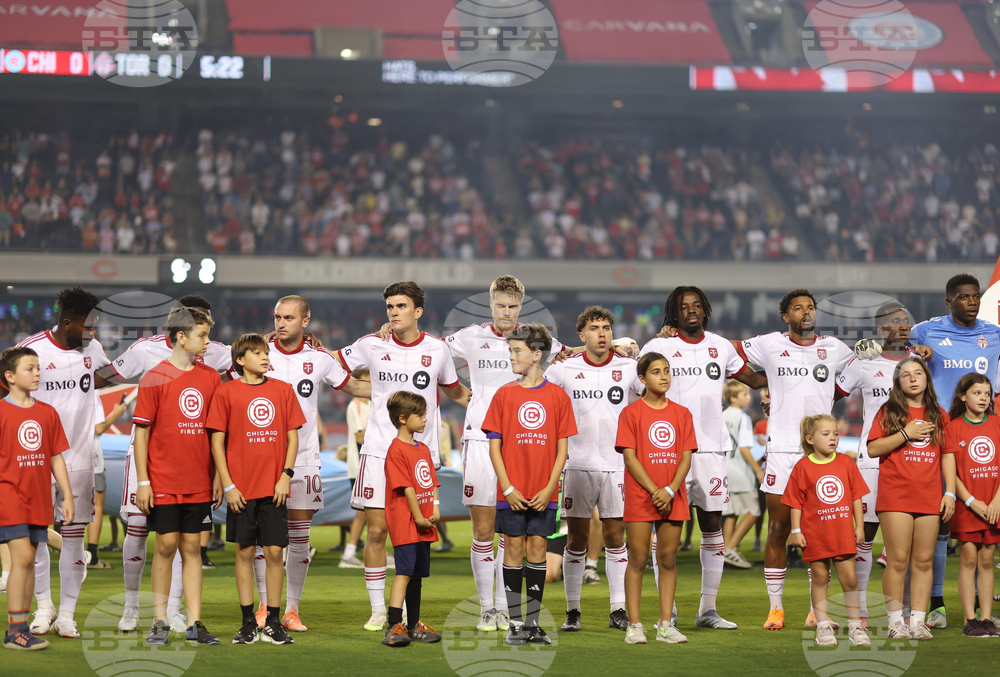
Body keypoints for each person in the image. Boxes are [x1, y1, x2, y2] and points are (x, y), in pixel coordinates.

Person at [335, 281, 469, 632]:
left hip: (419, 457)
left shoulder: (438, 350)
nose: (393, 312)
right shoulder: (372, 344)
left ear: (418, 311)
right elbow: (335, 365)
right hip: (379, 452)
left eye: (401, 306)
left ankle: (407, 611)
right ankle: (380, 609)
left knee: (413, 533)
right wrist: (361, 388)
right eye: (390, 307)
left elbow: (453, 389)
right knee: (377, 532)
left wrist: (492, 405)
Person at [99, 294, 231, 633]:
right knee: (141, 530)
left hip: (194, 471)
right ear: (182, 329)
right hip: (149, 463)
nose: (208, 341)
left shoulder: (212, 359)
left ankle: (173, 612)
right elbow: (108, 377)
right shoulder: (146, 354)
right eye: (202, 330)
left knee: (185, 543)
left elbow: (257, 352)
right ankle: (131, 607)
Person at [439, 275, 563, 632]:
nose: (507, 312)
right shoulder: (468, 337)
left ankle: (508, 609)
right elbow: (428, 351)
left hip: (523, 445)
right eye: (500, 305)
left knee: (513, 533)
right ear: (490, 304)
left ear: (521, 306)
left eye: (513, 306)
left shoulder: (537, 340)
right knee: (482, 529)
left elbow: (575, 354)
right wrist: (469, 399)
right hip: (480, 440)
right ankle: (488, 609)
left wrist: (623, 347)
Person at [643, 286, 767, 630]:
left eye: (697, 306)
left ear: (705, 310)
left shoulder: (721, 347)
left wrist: (789, 372)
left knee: (712, 525)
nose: (692, 311)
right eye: (685, 307)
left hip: (711, 449)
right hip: (666, 449)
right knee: (664, 526)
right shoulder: (659, 346)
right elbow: (638, 388)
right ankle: (669, 611)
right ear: (675, 312)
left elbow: (754, 379)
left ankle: (707, 609)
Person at [246, 297, 370, 633]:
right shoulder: (258, 354)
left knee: (300, 539)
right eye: (277, 317)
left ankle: (292, 610)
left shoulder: (318, 360)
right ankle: (262, 606)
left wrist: (395, 384)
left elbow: (356, 386)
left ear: (306, 321)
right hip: (261, 460)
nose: (281, 323)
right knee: (262, 539)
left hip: (303, 461)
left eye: (288, 317)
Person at [735, 289, 854, 630]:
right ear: (785, 316)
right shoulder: (770, 343)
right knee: (778, 529)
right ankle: (776, 607)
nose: (806, 312)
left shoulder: (834, 348)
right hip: (783, 450)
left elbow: (853, 376)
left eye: (810, 307)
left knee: (822, 531)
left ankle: (817, 608)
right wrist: (761, 383)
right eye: (798, 308)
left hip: (821, 453)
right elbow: (727, 352)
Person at [15, 287, 111, 638]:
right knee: (37, 537)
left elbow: (109, 376)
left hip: (80, 457)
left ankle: (67, 614)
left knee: (73, 537)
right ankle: (44, 607)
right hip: (37, 457)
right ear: (67, 322)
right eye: (88, 326)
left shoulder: (93, 350)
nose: (93, 333)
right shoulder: (32, 349)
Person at [907, 274, 1000, 629]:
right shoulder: (926, 331)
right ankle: (935, 602)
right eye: (964, 297)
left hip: (980, 437)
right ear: (950, 302)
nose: (972, 302)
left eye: (975, 296)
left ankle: (978, 611)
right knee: (940, 524)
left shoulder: (992, 333)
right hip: (936, 437)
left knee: (982, 537)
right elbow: (899, 344)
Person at [545, 306, 642, 632]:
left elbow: (654, 389)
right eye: (594, 328)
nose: (601, 334)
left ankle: (618, 608)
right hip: (577, 464)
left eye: (606, 328)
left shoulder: (628, 368)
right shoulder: (564, 370)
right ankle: (573, 610)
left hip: (617, 465)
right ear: (582, 335)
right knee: (576, 540)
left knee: (616, 538)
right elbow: (536, 387)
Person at [208, 333, 306, 646]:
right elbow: (217, 444)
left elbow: (293, 438)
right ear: (240, 360)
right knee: (245, 552)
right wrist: (229, 485)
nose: (265, 357)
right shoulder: (226, 393)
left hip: (274, 487)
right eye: (257, 353)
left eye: (266, 352)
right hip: (241, 490)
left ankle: (274, 622)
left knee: (276, 551)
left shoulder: (283, 390)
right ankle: (248, 622)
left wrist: (286, 475)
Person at [133, 307, 221, 646]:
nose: (207, 341)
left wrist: (216, 475)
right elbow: (141, 433)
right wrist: (143, 481)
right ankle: (159, 620)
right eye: (202, 335)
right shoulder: (154, 377)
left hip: (199, 479)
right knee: (166, 546)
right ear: (181, 337)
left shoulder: (211, 377)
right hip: (163, 479)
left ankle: (196, 623)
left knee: (193, 549)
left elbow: (215, 433)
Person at [483, 323, 576, 647]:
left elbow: (562, 449)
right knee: (513, 550)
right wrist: (508, 488)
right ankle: (515, 623)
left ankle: (534, 625)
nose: (511, 356)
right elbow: (494, 446)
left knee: (537, 550)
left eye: (517, 350)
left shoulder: (558, 397)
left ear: (537, 354)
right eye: (510, 350)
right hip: (512, 491)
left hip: (543, 493)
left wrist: (550, 489)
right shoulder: (504, 394)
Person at [835, 300, 914, 625]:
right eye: (897, 321)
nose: (905, 325)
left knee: (905, 541)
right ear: (882, 328)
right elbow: (831, 391)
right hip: (872, 460)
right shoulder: (864, 362)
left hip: (911, 460)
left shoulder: (918, 362)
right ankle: (862, 608)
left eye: (907, 320)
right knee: (864, 535)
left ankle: (908, 609)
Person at [867, 355, 956, 640]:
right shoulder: (889, 410)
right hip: (896, 496)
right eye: (906, 374)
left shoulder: (939, 414)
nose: (913, 378)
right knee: (897, 561)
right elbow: (873, 449)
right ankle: (895, 622)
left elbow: (948, 456)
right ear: (898, 382)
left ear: (927, 379)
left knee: (924, 561)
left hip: (930, 496)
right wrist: (906, 433)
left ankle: (917, 621)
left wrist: (950, 492)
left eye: (918, 373)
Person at [615, 352, 695, 645]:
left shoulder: (682, 413)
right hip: (641, 496)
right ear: (642, 379)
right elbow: (629, 457)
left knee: (667, 560)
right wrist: (654, 491)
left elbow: (686, 457)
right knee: (637, 559)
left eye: (667, 371)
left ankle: (665, 625)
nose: (664, 376)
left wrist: (670, 490)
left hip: (674, 496)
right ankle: (634, 625)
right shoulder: (631, 413)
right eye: (656, 372)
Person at [0, 346, 74, 651]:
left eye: (38, 368)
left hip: (39, 498)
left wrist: (67, 496)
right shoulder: (1, 412)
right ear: (9, 376)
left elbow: (56, 457)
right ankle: (14, 631)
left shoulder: (47, 412)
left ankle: (21, 630)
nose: (37, 373)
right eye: (29, 368)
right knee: (24, 559)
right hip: (9, 496)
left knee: (29, 563)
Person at [783, 414, 870, 647]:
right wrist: (796, 530)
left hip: (842, 533)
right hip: (815, 534)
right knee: (820, 578)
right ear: (810, 439)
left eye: (835, 434)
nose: (833, 438)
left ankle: (855, 625)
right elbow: (795, 502)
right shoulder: (802, 467)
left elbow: (856, 496)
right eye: (826, 434)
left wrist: (859, 525)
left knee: (850, 579)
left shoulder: (846, 463)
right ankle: (822, 627)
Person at [381, 391, 442, 647]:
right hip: (407, 522)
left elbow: (432, 482)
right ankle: (394, 625)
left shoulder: (424, 448)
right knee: (404, 573)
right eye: (420, 415)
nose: (425, 419)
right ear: (403, 418)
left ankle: (414, 624)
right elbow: (406, 487)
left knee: (416, 576)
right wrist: (418, 517)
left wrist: (436, 508)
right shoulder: (396, 450)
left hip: (424, 522)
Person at [942, 373, 1000, 637]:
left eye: (987, 394)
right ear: (963, 396)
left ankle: (987, 618)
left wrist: (997, 500)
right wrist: (970, 500)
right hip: (969, 505)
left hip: (995, 503)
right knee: (968, 558)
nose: (983, 398)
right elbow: (950, 472)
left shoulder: (998, 424)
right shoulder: (952, 427)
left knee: (987, 559)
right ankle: (970, 619)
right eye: (977, 393)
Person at [721, 380, 762, 568]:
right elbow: (744, 447)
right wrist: (757, 469)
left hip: (725, 468)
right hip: (739, 469)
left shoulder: (722, 415)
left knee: (731, 513)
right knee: (754, 510)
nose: (749, 397)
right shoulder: (742, 417)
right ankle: (730, 548)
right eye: (745, 395)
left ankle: (726, 553)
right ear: (733, 398)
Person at [87, 392, 126, 570]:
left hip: (64, 456)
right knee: (96, 507)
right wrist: (115, 415)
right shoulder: (91, 394)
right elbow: (98, 429)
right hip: (91, 458)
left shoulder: (61, 389)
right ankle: (92, 557)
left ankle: (71, 556)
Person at [340, 368, 370, 568]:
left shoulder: (372, 404)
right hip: (359, 465)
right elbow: (360, 436)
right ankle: (349, 553)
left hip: (371, 464)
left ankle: (371, 550)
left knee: (373, 510)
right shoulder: (355, 405)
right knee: (364, 510)